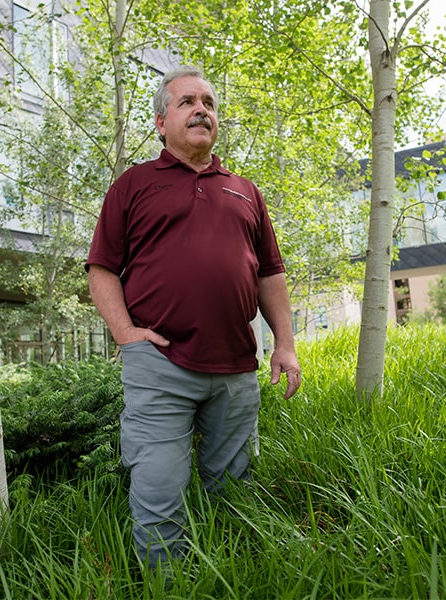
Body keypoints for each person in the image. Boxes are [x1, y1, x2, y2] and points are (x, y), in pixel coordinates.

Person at [85, 65, 301, 568]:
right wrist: (126, 333)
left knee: (233, 492)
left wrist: (285, 344)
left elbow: (270, 274)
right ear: (161, 121)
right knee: (158, 494)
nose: (201, 109)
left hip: (235, 369)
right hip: (159, 366)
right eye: (187, 102)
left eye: (208, 102)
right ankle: (168, 584)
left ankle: (231, 575)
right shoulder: (133, 185)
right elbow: (101, 268)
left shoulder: (245, 191)